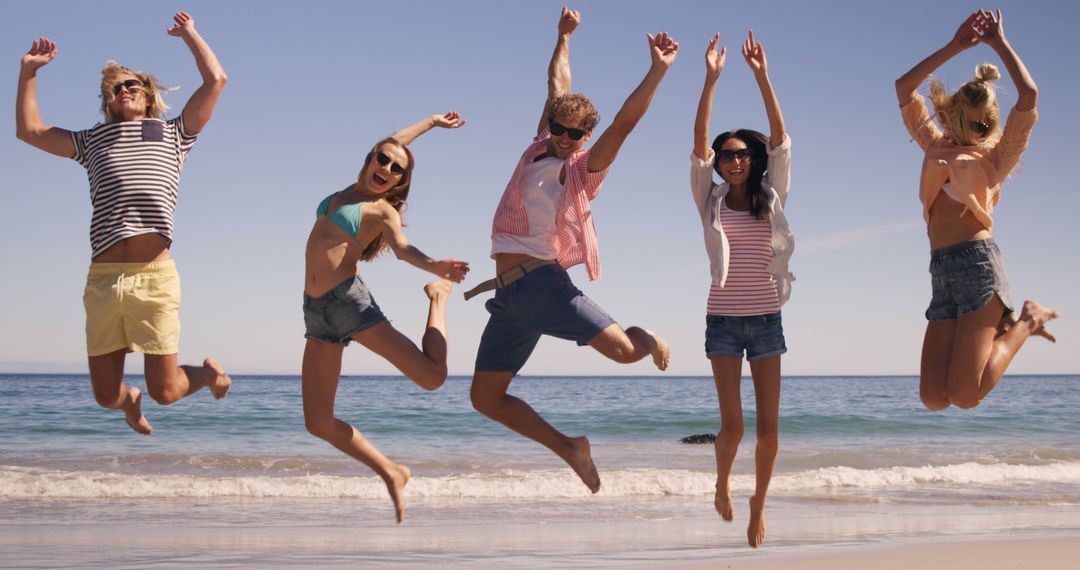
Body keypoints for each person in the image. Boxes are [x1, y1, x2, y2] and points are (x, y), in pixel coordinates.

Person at [466, 7, 674, 494]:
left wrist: (657, 70)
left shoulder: (583, 169)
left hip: (545, 285)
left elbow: (624, 124)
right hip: (510, 297)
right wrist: (563, 37)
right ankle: (569, 448)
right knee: (485, 398)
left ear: (586, 137)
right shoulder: (538, 145)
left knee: (625, 353)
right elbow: (557, 79)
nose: (563, 137)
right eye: (559, 127)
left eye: (574, 133)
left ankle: (647, 336)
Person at [15, 12, 229, 436]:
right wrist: (27, 74)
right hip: (104, 279)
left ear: (148, 96)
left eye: (132, 84)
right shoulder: (90, 141)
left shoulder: (173, 134)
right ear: (108, 102)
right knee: (105, 395)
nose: (124, 90)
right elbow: (30, 131)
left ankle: (209, 376)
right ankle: (129, 401)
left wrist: (190, 34)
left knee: (166, 392)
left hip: (154, 277)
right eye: (115, 88)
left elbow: (216, 81)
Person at [302, 111, 469, 523]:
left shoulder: (380, 210)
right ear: (370, 158)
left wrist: (436, 267)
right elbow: (395, 138)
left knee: (432, 377)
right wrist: (430, 123)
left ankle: (437, 300)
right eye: (384, 160)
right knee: (318, 422)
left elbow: (402, 248)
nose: (388, 168)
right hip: (316, 311)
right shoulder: (346, 192)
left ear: (398, 182)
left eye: (397, 169)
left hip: (348, 304)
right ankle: (391, 471)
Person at [895, 9, 1057, 411]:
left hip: (979, 265)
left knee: (966, 396)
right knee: (934, 398)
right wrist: (955, 47)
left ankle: (1027, 321)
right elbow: (904, 88)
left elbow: (1029, 97)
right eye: (969, 122)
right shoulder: (935, 146)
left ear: (992, 126)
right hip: (941, 270)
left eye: (985, 125)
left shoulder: (996, 158)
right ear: (951, 116)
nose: (976, 131)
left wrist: (998, 43)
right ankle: (1022, 322)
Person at [691, 31, 793, 548]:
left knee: (770, 428)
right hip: (724, 324)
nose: (733, 161)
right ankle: (723, 483)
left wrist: (761, 76)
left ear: (753, 158)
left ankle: (759, 504)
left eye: (741, 154)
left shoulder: (771, 197)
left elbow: (781, 140)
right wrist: (710, 79)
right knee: (732, 427)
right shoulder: (708, 201)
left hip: (767, 320)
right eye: (725, 155)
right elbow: (696, 146)